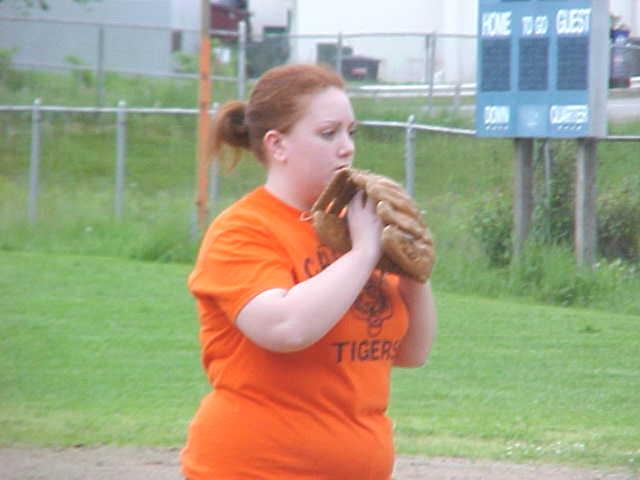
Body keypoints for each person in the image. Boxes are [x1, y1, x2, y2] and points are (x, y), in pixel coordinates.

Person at [181, 63, 437, 480]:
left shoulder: (352, 229)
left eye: (350, 132)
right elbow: (284, 328)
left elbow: (411, 352)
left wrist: (413, 273)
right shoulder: (243, 229)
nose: (346, 148)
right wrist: (364, 253)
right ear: (277, 145)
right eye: (328, 133)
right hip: (255, 469)